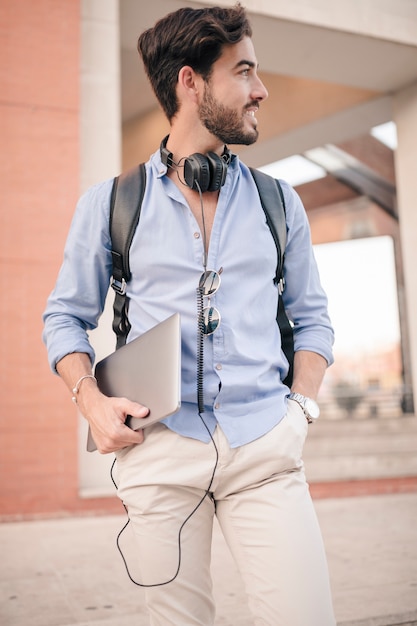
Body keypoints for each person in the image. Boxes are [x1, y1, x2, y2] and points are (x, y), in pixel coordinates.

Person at [43, 4, 336, 625]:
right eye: (244, 72)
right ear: (190, 81)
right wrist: (92, 403)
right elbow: (64, 318)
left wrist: (299, 412)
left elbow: (313, 320)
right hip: (159, 452)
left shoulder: (279, 202)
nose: (261, 90)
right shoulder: (110, 204)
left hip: (265, 450)